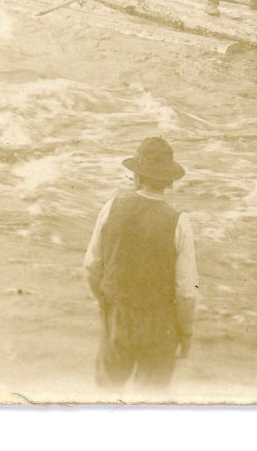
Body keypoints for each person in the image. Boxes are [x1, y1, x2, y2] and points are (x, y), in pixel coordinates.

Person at [83, 136, 198, 392]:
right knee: (151, 404)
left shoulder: (111, 208)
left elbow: (92, 267)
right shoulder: (179, 222)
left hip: (118, 316)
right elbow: (187, 293)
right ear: (169, 181)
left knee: (105, 396)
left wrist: (106, 305)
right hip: (160, 324)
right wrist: (186, 334)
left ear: (136, 176)